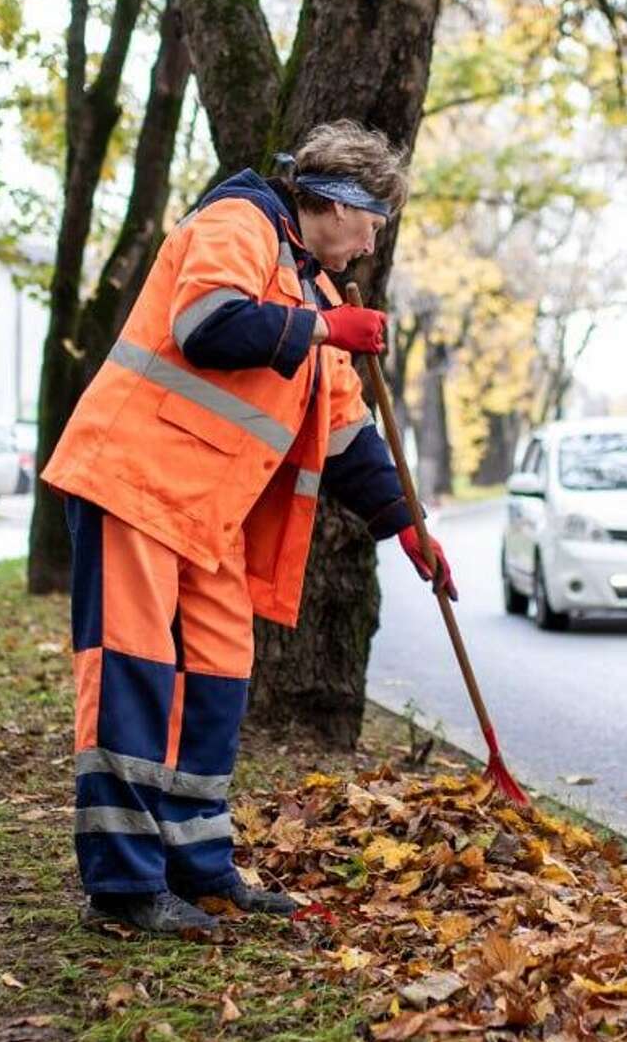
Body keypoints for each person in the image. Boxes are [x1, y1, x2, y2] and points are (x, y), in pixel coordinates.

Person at [43, 120, 455, 935]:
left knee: (219, 684)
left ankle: (198, 870)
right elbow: (209, 325)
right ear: (336, 202)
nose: (369, 246)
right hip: (133, 481)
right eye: (371, 224)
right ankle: (123, 888)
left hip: (207, 513)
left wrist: (407, 526)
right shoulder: (237, 224)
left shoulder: (318, 290)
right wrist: (321, 330)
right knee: (133, 678)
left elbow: (345, 435)